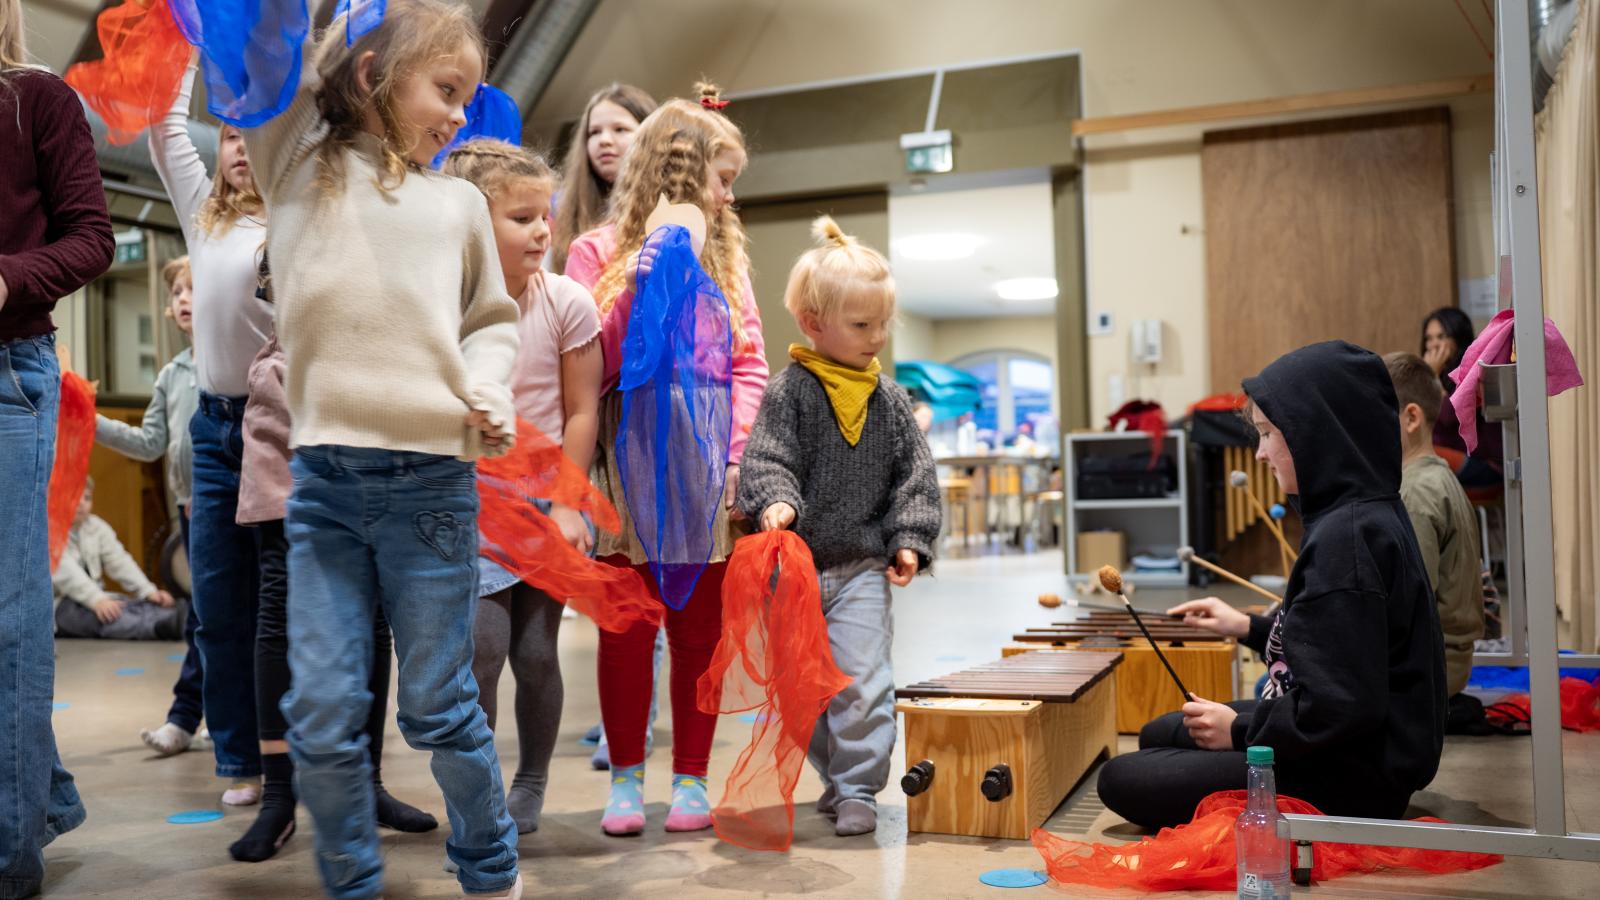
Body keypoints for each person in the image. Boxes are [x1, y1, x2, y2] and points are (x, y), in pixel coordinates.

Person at [241, 1, 522, 895]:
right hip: (322, 487)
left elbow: (492, 322)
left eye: (468, 96)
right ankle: (351, 884)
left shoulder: (460, 204)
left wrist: (486, 385)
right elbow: (269, 43)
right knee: (320, 714)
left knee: (438, 710)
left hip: (432, 491)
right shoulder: (293, 164)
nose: (459, 114)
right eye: (446, 89)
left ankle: (489, 867)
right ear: (372, 75)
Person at [1095, 341, 1446, 830]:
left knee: (1121, 779)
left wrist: (1239, 730)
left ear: (1316, 436)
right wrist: (1247, 625)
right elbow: (1335, 648)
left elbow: (1339, 708)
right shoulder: (1360, 513)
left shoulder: (1347, 544)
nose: (1259, 453)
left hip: (1352, 776)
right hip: (1345, 743)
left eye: (1267, 434)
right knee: (1163, 730)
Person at [565, 84, 767, 837]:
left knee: (698, 631)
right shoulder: (596, 253)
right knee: (624, 626)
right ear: (681, 176)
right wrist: (647, 274)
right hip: (625, 455)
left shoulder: (728, 260)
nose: (728, 197)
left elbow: (748, 365)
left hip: (703, 460)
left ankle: (690, 779)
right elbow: (598, 359)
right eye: (722, 179)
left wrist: (738, 453)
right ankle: (624, 781)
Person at [227, 257, 436, 863]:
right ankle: (278, 795)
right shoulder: (278, 345)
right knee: (277, 621)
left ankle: (366, 783)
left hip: (360, 459)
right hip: (287, 465)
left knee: (372, 624)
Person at [736, 216, 941, 836]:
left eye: (883, 323)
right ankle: (832, 775)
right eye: (861, 325)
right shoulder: (789, 392)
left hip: (857, 568)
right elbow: (767, 457)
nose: (877, 336)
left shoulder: (891, 402)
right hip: (791, 573)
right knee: (800, 692)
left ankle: (858, 785)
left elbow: (916, 476)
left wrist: (910, 537)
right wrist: (775, 501)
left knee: (861, 682)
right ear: (812, 323)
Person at [443, 139, 603, 833]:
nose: (544, 231)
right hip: (470, 500)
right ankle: (475, 789)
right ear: (475, 224)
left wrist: (568, 502)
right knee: (478, 650)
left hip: (546, 503)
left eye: (547, 216)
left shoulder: (567, 302)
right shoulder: (443, 305)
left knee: (536, 653)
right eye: (522, 218)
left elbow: (582, 409)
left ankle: (532, 777)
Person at [1, 0, 114, 889]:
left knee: (10, 611)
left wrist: (7, 278)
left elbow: (92, 238)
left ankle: (11, 843)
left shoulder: (35, 98)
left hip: (9, 370)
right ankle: (43, 794)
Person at [151, 55, 270, 807]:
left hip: (278, 428)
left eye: (251, 134)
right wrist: (188, 43)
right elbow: (163, 131)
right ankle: (240, 760)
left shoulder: (292, 218)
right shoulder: (203, 214)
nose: (235, 147)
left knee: (281, 611)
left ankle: (294, 750)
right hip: (215, 429)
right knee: (220, 610)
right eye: (227, 134)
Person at [94, 256, 205, 756]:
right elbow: (150, 442)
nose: (182, 299)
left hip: (238, 510)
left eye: (193, 289)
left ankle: (202, 718)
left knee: (223, 620)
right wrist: (88, 420)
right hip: (191, 511)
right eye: (177, 292)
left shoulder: (236, 364)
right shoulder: (171, 374)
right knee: (204, 619)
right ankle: (191, 718)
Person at [1385, 352, 1485, 709]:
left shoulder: (1415, 493)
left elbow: (1410, 604)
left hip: (1431, 665)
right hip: (1449, 659)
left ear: (1411, 417)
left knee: (1283, 682)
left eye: (1374, 415)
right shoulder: (1439, 474)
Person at [52, 479, 186, 640]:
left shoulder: (96, 527)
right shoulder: (49, 531)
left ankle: (170, 616)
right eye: (74, 496)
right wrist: (96, 599)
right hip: (60, 606)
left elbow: (120, 562)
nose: (81, 503)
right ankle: (158, 627)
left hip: (94, 597)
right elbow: (68, 574)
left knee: (124, 604)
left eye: (87, 498)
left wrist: (148, 591)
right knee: (106, 618)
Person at [550, 83, 657, 275]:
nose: (604, 140)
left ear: (651, 136)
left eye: (620, 129)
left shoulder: (670, 205)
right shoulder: (557, 208)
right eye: (594, 132)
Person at [1420, 307, 1502, 488]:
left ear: (1458, 338)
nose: (1433, 345)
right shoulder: (1439, 373)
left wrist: (1431, 376)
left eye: (1441, 337)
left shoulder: (1471, 370)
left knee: (1419, 458)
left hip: (1484, 464)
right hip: (1451, 459)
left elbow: (1450, 416)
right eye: (1429, 338)